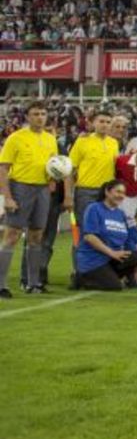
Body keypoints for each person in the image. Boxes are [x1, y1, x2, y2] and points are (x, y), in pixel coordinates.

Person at [0, 101, 59, 297]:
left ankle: (33, 284)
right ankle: (1, 285)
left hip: (42, 190)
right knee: (11, 236)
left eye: (43, 113)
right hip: (20, 187)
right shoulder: (15, 138)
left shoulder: (51, 139)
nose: (40, 117)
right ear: (27, 117)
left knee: (36, 237)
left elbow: (53, 165)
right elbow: (3, 168)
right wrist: (7, 197)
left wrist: (52, 180)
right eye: (35, 114)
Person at [66, 110, 120, 252]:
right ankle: (79, 270)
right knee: (85, 232)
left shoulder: (114, 143)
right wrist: (68, 195)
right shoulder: (82, 141)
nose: (104, 125)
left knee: (104, 232)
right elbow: (70, 170)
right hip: (85, 192)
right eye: (101, 121)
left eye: (108, 122)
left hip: (106, 194)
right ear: (93, 123)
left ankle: (97, 269)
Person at [75, 179, 137, 291]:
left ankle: (115, 277)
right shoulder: (94, 208)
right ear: (107, 192)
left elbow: (127, 241)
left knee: (135, 256)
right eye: (118, 191)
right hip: (94, 259)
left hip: (111, 259)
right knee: (114, 287)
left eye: (123, 193)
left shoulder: (120, 214)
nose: (121, 195)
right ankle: (82, 278)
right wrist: (112, 253)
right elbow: (89, 237)